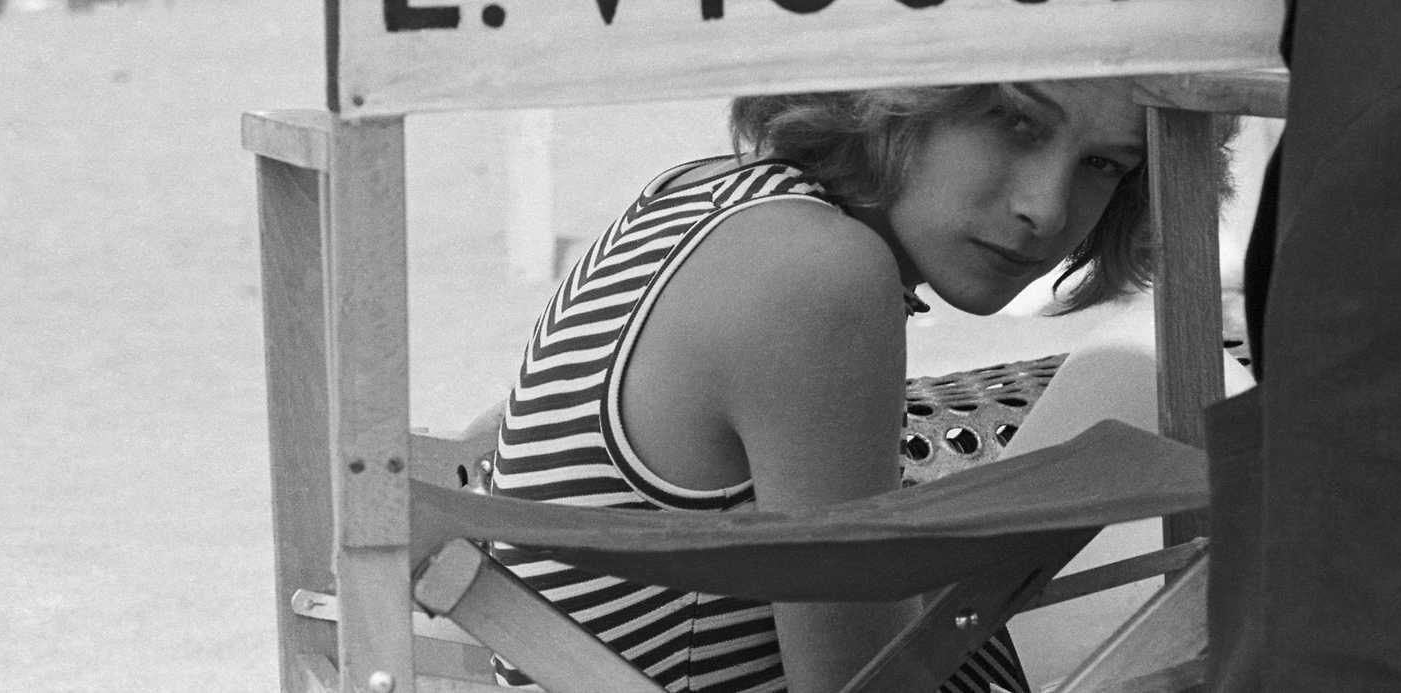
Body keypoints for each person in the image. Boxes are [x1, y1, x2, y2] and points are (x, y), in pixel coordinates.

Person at [476, 78, 1160, 693]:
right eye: (1015, 122)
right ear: (899, 89)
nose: (1047, 207)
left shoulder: (711, 196)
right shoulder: (818, 273)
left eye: (1104, 164)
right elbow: (863, 685)